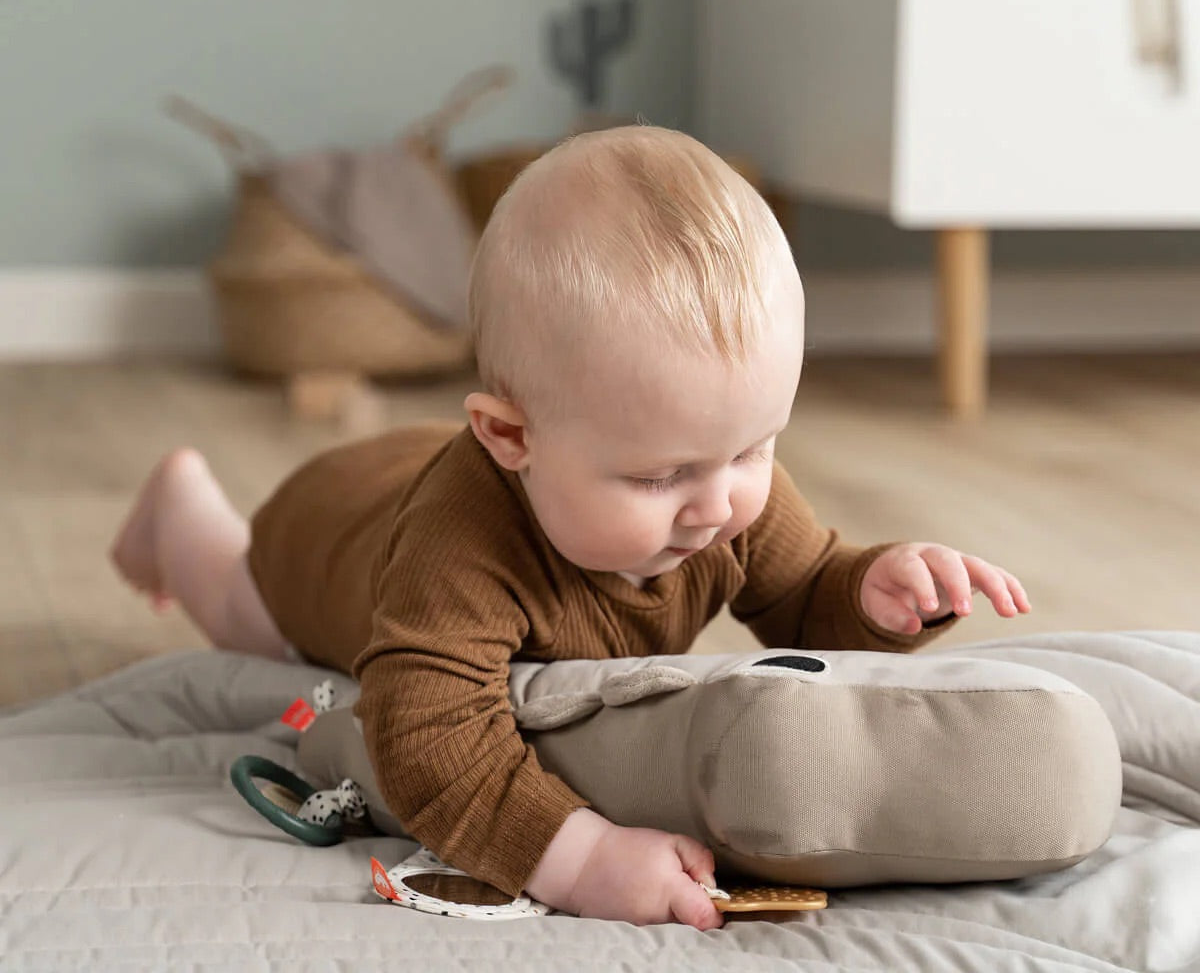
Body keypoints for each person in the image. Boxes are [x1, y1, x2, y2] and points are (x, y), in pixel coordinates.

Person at [110, 126, 1031, 930]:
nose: (718, 505)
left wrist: (874, 591)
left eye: (755, 447)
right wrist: (581, 859)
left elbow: (803, 594)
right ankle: (178, 505)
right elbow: (427, 738)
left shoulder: (720, 489)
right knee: (249, 617)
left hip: (435, 458)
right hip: (328, 532)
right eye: (662, 475)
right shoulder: (458, 552)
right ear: (511, 439)